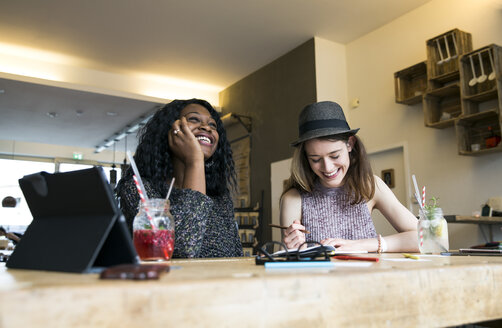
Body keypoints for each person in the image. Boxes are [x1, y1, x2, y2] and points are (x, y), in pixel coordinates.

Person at [280, 101, 418, 253]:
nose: (328, 168)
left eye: (335, 155)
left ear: (350, 144)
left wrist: (362, 245)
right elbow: (294, 265)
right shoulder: (293, 199)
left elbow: (423, 238)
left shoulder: (370, 185)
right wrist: (296, 250)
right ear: (305, 157)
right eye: (315, 159)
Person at [116, 99, 243, 258]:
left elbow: (237, 256)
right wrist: (194, 161)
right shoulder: (140, 190)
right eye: (194, 119)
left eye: (212, 125)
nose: (206, 127)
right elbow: (183, 250)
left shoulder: (220, 198)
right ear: (170, 130)